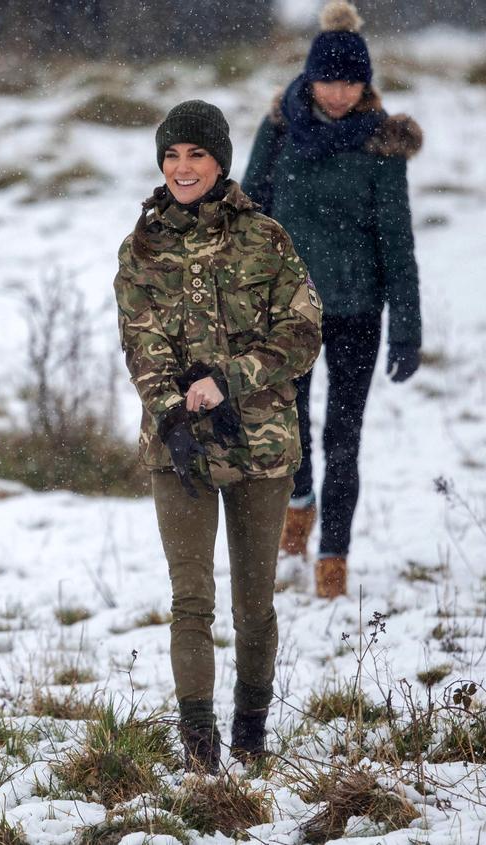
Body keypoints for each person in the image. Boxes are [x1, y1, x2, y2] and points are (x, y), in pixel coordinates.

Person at [114, 101, 322, 771]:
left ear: (221, 161)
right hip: (179, 452)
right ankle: (200, 744)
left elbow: (303, 332)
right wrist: (174, 411)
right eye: (172, 155)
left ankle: (252, 731)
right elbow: (140, 345)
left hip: (261, 446)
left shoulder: (266, 238)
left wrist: (230, 378)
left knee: (254, 604)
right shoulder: (141, 247)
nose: (182, 167)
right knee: (191, 600)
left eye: (196, 155)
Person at [242, 0, 423, 598]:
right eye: (329, 79)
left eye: (351, 81)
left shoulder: (381, 143)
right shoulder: (281, 127)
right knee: (287, 430)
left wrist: (407, 327)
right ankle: (299, 501)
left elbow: (397, 241)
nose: (339, 93)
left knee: (343, 438)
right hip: (285, 311)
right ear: (310, 77)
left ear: (364, 83)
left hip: (356, 311)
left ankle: (333, 558)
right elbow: (249, 213)